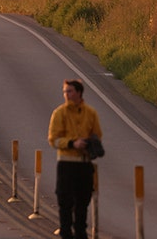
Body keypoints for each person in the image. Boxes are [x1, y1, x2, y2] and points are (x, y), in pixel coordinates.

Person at [47, 79, 103, 239]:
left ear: (79, 92)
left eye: (70, 91)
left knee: (82, 202)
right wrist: (72, 143)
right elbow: (53, 139)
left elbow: (97, 134)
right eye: (65, 91)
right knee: (65, 202)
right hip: (66, 164)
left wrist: (90, 143)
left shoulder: (90, 113)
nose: (67, 94)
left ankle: (80, 233)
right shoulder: (59, 113)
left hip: (84, 165)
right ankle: (65, 233)